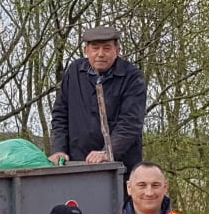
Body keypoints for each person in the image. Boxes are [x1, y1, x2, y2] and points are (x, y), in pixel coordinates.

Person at [48, 26, 146, 174]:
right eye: (95, 48)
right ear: (86, 50)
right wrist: (58, 150)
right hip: (75, 165)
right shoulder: (75, 71)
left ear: (117, 51)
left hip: (119, 168)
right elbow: (60, 114)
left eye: (107, 48)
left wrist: (107, 152)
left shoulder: (132, 77)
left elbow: (130, 123)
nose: (100, 54)